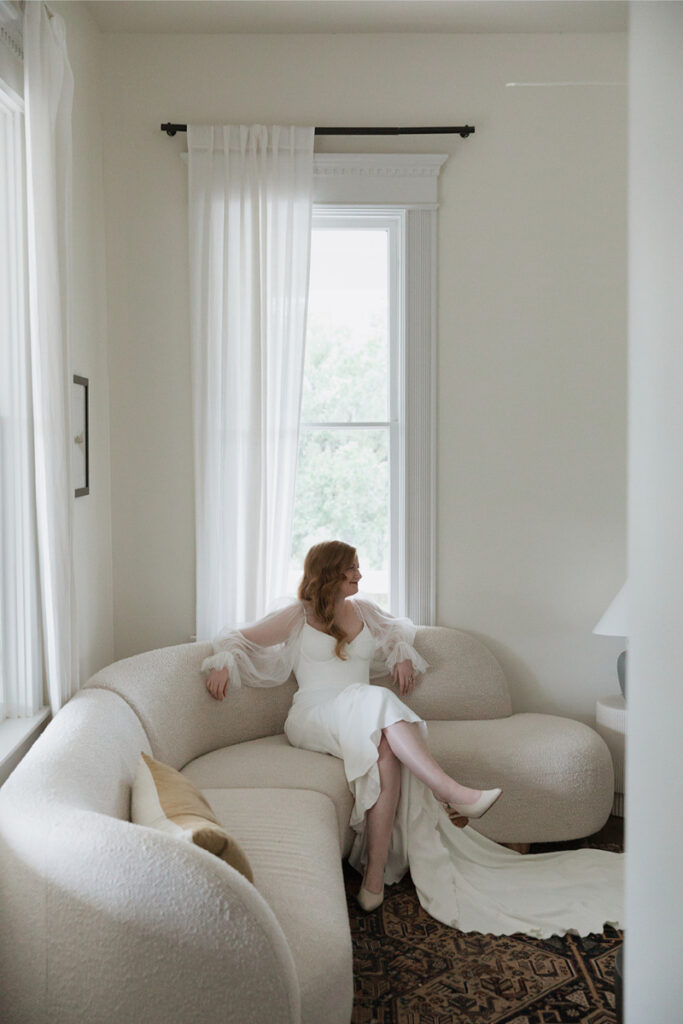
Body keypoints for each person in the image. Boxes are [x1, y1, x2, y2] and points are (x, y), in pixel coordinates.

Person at [202, 540, 623, 936]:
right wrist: (223, 662)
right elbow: (236, 636)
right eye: (352, 569)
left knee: (386, 749)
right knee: (377, 700)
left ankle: (374, 878)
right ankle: (451, 791)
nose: (360, 575)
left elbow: (399, 631)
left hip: (359, 709)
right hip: (314, 714)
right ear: (330, 572)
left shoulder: (364, 610)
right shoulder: (299, 614)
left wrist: (402, 656)